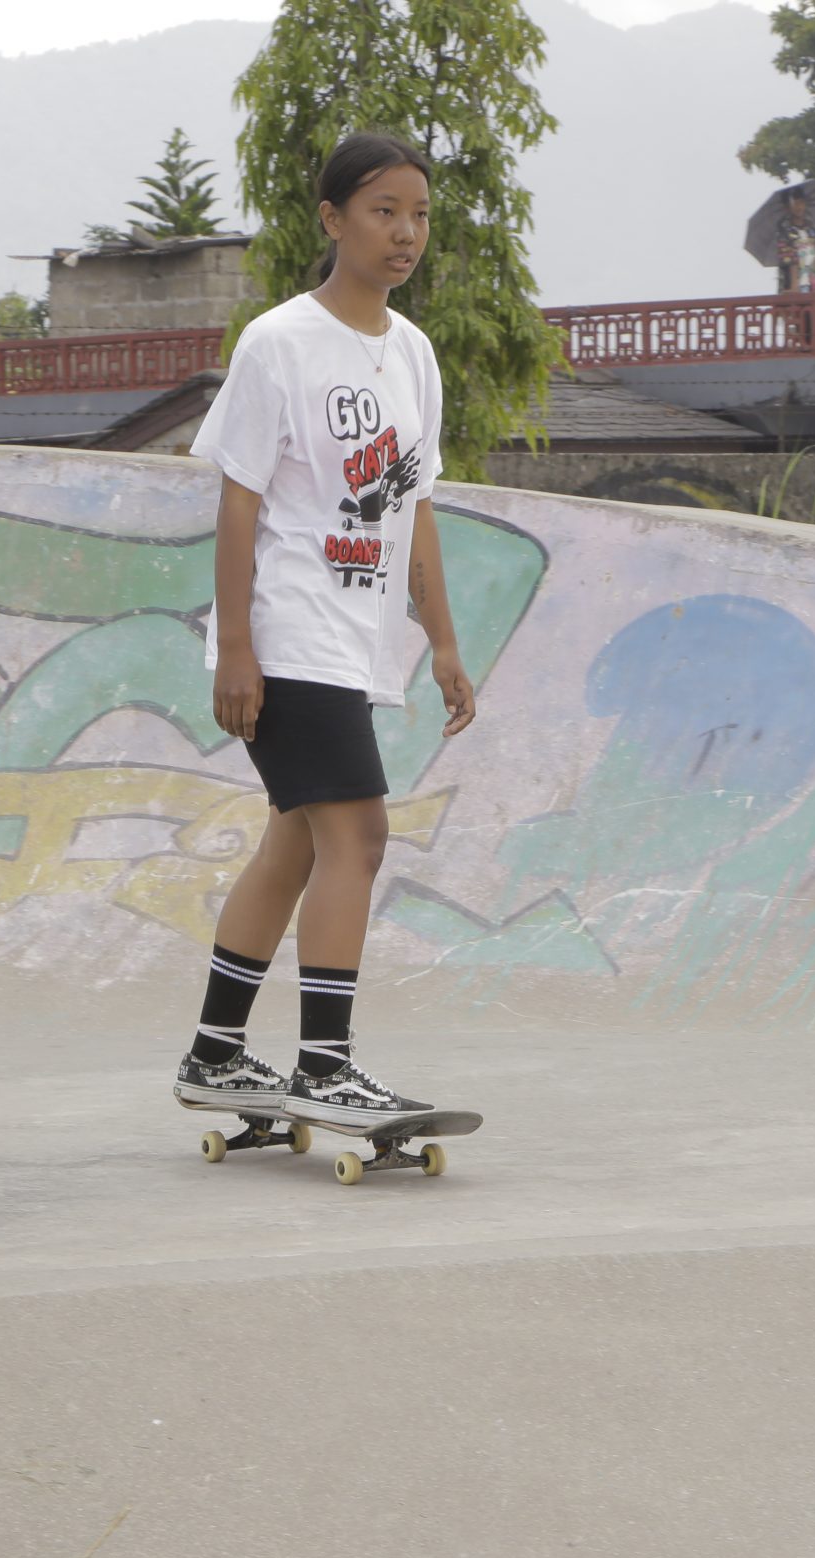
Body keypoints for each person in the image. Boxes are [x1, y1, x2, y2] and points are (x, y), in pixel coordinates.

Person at [170, 131, 477, 1132]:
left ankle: (216, 1054)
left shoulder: (413, 354)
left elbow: (414, 508)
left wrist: (440, 639)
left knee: (297, 845)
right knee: (359, 834)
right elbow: (239, 503)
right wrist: (237, 648)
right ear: (332, 219)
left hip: (357, 641)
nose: (405, 233)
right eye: (384, 211)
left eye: (419, 214)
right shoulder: (279, 342)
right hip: (288, 629)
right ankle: (325, 1066)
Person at [776, 187, 815, 293]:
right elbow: (789, 260)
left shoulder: (812, 231)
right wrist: (794, 286)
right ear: (787, 208)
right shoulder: (785, 233)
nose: (798, 207)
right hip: (795, 283)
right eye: (794, 204)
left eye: (801, 203)